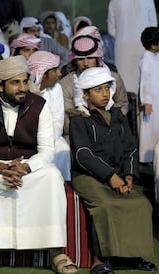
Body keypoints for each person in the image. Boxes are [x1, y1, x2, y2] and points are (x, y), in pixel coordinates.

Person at [0, 56, 78, 274]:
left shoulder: (39, 106)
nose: (23, 88)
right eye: (15, 83)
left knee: (51, 176)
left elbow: (47, 150)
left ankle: (56, 251)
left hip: (29, 165)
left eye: (25, 82)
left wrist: (25, 167)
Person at [68, 66, 156, 273]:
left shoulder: (117, 115)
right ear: (86, 95)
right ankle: (100, 259)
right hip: (88, 176)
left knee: (140, 203)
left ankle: (132, 257)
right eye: (98, 90)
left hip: (118, 174)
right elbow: (83, 155)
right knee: (106, 205)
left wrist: (129, 175)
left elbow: (130, 147)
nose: (105, 93)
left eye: (107, 88)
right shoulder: (78, 119)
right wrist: (111, 177)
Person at [59, 26, 129, 140]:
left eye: (90, 57)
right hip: (78, 137)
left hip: (112, 133)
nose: (86, 63)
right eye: (81, 59)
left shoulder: (113, 78)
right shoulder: (66, 84)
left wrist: (109, 125)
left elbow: (123, 106)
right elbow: (65, 121)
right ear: (75, 60)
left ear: (98, 58)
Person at [28, 50, 71, 182]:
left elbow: (57, 122)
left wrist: (44, 141)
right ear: (43, 73)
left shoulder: (56, 88)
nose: (59, 73)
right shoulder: (24, 89)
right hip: (26, 137)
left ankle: (61, 184)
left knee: (63, 149)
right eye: (55, 70)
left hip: (50, 137)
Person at [107, 0, 157, 94]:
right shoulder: (149, 0)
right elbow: (153, 26)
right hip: (143, 48)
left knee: (123, 86)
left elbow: (111, 30)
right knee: (144, 85)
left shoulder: (114, 2)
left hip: (122, 50)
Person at [138, 26, 159, 164]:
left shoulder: (155, 56)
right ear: (153, 45)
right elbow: (144, 82)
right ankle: (148, 157)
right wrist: (146, 101)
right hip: (152, 101)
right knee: (151, 127)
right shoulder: (146, 59)